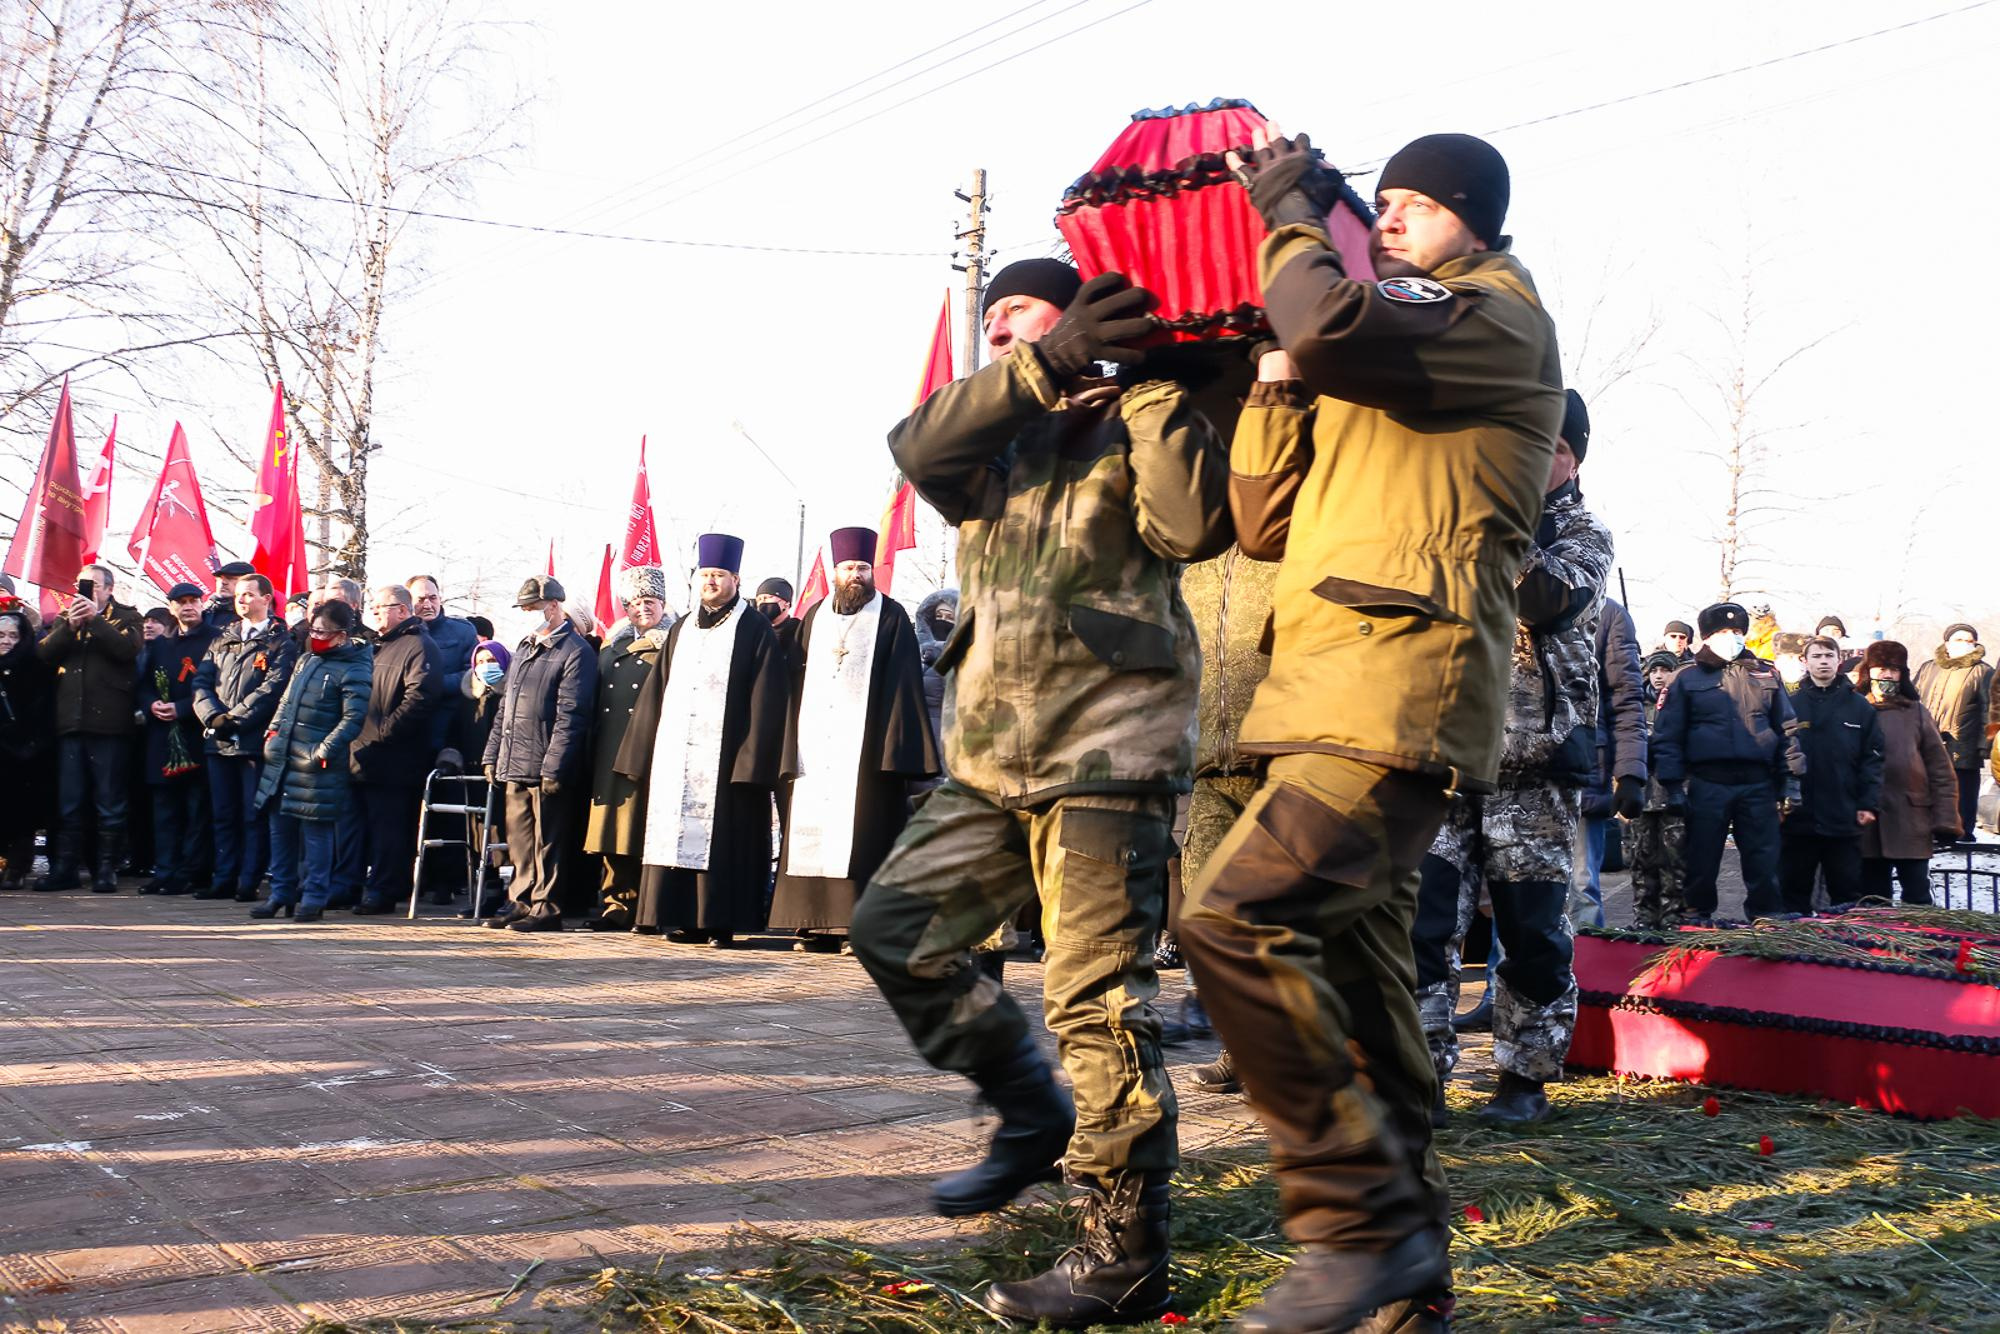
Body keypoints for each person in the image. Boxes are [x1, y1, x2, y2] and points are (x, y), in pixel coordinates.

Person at [1173, 129, 1562, 1332]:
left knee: (1232, 921)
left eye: (1414, 204)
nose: (1388, 220)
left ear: (1472, 220)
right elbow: (1259, 522)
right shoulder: (1379, 360)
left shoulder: (1489, 316)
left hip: (1393, 692)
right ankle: (1411, 1284)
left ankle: (1358, 1224)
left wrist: (1292, 226)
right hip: (1320, 694)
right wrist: (1273, 384)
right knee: (1363, 992)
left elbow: (1331, 315)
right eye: (1377, 202)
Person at [849, 253, 1228, 1327]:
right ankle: (1028, 1110)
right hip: (988, 758)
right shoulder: (992, 432)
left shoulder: (1143, 416)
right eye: (992, 314)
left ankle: (1123, 1248)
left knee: (1095, 1000)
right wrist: (1041, 365)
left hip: (1107, 753)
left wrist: (1146, 385)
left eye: (1017, 306)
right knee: (894, 931)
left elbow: (1194, 526)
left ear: (1078, 311)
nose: (997, 323)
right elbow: (914, 446)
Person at [1414, 386, 1614, 1127]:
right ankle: (1418, 1075)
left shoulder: (1583, 534)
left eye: (1548, 447)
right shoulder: (1451, 523)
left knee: (1532, 932)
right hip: (1441, 758)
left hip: (1535, 767)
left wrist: (1487, 519)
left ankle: (1524, 1076)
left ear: (1572, 458)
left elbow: (1545, 597)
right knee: (1423, 927)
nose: (1529, 458)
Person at [770, 527, 938, 953]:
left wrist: (894, 751)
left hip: (866, 754)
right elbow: (793, 682)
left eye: (863, 567)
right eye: (848, 567)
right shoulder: (814, 617)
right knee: (811, 832)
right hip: (813, 750)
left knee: (865, 838)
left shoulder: (891, 616)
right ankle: (810, 923)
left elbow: (903, 686)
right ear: (835, 571)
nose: (856, 575)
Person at [616, 535, 787, 947]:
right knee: (674, 830)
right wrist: (639, 752)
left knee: (726, 840)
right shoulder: (681, 628)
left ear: (736, 580)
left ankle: (720, 921)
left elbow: (767, 697)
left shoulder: (754, 628)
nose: (711, 582)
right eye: (705, 575)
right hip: (677, 754)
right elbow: (656, 691)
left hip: (729, 758)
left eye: (719, 575)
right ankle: (681, 918)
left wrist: (752, 760)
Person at [1176, 542, 1280, 1096]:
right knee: (1209, 916)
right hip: (1207, 772)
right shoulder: (1191, 570)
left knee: (1281, 920)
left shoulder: (1291, 554)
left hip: (1278, 767)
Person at [1651, 602, 1807, 921]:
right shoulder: (1685, 677)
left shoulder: (1765, 673)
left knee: (1764, 859)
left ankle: (1766, 916)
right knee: (1701, 858)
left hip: (1758, 782)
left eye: (1737, 631)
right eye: (1723, 631)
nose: (1731, 637)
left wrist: (1791, 780)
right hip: (1708, 781)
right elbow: (1667, 736)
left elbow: (1787, 729)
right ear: (1708, 636)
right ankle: (1696, 915)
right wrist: (1673, 787)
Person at [481, 575, 597, 932]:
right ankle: (521, 900)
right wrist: (492, 754)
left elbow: (571, 715)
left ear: (554, 606)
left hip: (546, 762)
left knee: (548, 841)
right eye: (524, 608)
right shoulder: (525, 647)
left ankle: (546, 906)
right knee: (520, 840)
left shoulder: (575, 651)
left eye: (533, 607)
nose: (527, 613)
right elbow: (506, 708)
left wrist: (554, 766)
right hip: (515, 759)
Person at [251, 601, 372, 922]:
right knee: (280, 829)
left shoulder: (355, 667)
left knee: (316, 833)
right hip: (283, 758)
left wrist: (322, 751)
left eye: (322, 632)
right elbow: (286, 702)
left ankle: (314, 897)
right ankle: (281, 893)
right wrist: (272, 733)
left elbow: (352, 719)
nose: (315, 636)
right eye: (313, 630)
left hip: (318, 765)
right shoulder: (306, 660)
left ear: (342, 635)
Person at [35, 563, 145, 892]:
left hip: (109, 724)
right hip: (71, 723)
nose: (86, 591)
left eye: (94, 585)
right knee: (70, 801)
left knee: (109, 801)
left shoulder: (128, 617)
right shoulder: (65, 618)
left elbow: (126, 651)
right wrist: (70, 626)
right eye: (82, 584)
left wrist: (96, 619)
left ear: (109, 589)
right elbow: (43, 655)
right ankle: (66, 868)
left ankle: (106, 868)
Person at [191, 573, 297, 902]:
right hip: (218, 740)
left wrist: (234, 719)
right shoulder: (223, 638)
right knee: (223, 813)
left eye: (249, 594)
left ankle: (248, 881)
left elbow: (272, 689)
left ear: (267, 599)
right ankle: (224, 877)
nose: (242, 600)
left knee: (253, 815)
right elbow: (202, 682)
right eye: (239, 594)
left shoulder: (280, 642)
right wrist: (212, 716)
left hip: (253, 741)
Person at [583, 566, 671, 931]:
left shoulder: (673, 643)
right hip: (611, 747)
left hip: (650, 748)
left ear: (663, 603)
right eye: (634, 602)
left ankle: (648, 906)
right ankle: (615, 902)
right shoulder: (611, 645)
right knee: (612, 830)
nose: (642, 608)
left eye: (649, 601)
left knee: (643, 829)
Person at [348, 585, 442, 914]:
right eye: (372, 607)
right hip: (362, 754)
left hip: (394, 757)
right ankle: (356, 886)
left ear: (402, 610)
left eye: (381, 606)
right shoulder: (375, 646)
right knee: (364, 827)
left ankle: (385, 890)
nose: (374, 612)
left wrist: (383, 732)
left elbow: (420, 698)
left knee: (390, 828)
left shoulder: (419, 646)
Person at [1777, 635, 1883, 913]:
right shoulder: (1790, 705)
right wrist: (1779, 801)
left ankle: (1843, 939)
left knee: (1846, 894)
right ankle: (1794, 938)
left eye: (1828, 656)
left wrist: (1867, 803)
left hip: (1843, 816)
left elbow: (1873, 759)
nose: (1823, 661)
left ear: (1839, 660)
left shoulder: (1860, 707)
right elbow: (1777, 755)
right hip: (1798, 817)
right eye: (1816, 656)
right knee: (1792, 892)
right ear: (1805, 661)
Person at [1859, 640, 1960, 903]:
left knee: (1917, 896)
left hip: (1911, 820)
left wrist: (1946, 819)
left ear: (1902, 674)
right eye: (1881, 669)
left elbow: (1940, 771)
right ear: (1868, 671)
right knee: (1873, 899)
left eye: (1893, 670)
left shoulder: (1917, 713)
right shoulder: (1856, 710)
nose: (1887, 675)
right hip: (1867, 822)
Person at [137, 584, 221, 895]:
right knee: (165, 811)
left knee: (196, 810)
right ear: (171, 608)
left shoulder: (216, 639)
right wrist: (151, 704)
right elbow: (143, 684)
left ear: (201, 604)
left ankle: (191, 871)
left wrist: (183, 708)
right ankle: (165, 870)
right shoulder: (160, 644)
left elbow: (218, 687)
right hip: (162, 738)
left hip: (196, 735)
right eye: (181, 602)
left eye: (193, 601)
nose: (188, 607)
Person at [1913, 623, 1994, 841]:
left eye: (1969, 641)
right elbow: (1912, 700)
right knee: (1927, 787)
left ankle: (1963, 832)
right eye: (1959, 639)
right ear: (1947, 643)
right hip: (1928, 741)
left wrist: (1984, 745)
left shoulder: (1983, 671)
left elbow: (1990, 710)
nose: (1964, 644)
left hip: (1964, 745)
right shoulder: (1929, 668)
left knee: (1962, 791)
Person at [1629, 650, 1690, 929]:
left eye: (1665, 670)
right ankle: (1644, 917)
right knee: (1642, 858)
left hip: (1675, 792)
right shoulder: (1635, 707)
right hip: (1642, 795)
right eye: (1654, 671)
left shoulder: (1682, 704)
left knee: (1675, 859)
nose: (1658, 676)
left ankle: (1672, 916)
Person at [0, 600, 54, 889]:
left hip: (25, 754)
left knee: (22, 813)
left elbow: (44, 713)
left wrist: (29, 745)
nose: (6, 641)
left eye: (13, 635)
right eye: (1, 635)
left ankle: (17, 866)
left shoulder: (36, 668)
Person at [753, 576, 803, 667]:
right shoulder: (757, 633)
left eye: (767, 597)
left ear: (786, 603)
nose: (762, 603)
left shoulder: (799, 631)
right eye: (759, 600)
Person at [202, 560, 258, 630]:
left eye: (231, 578)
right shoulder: (204, 611)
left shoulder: (256, 615)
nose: (223, 582)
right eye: (220, 578)